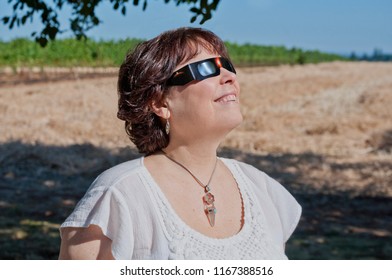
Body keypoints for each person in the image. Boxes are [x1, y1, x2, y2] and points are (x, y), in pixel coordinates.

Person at [58, 27, 301, 260]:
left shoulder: (262, 189)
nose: (228, 77)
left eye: (226, 65)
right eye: (205, 68)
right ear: (160, 103)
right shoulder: (118, 196)